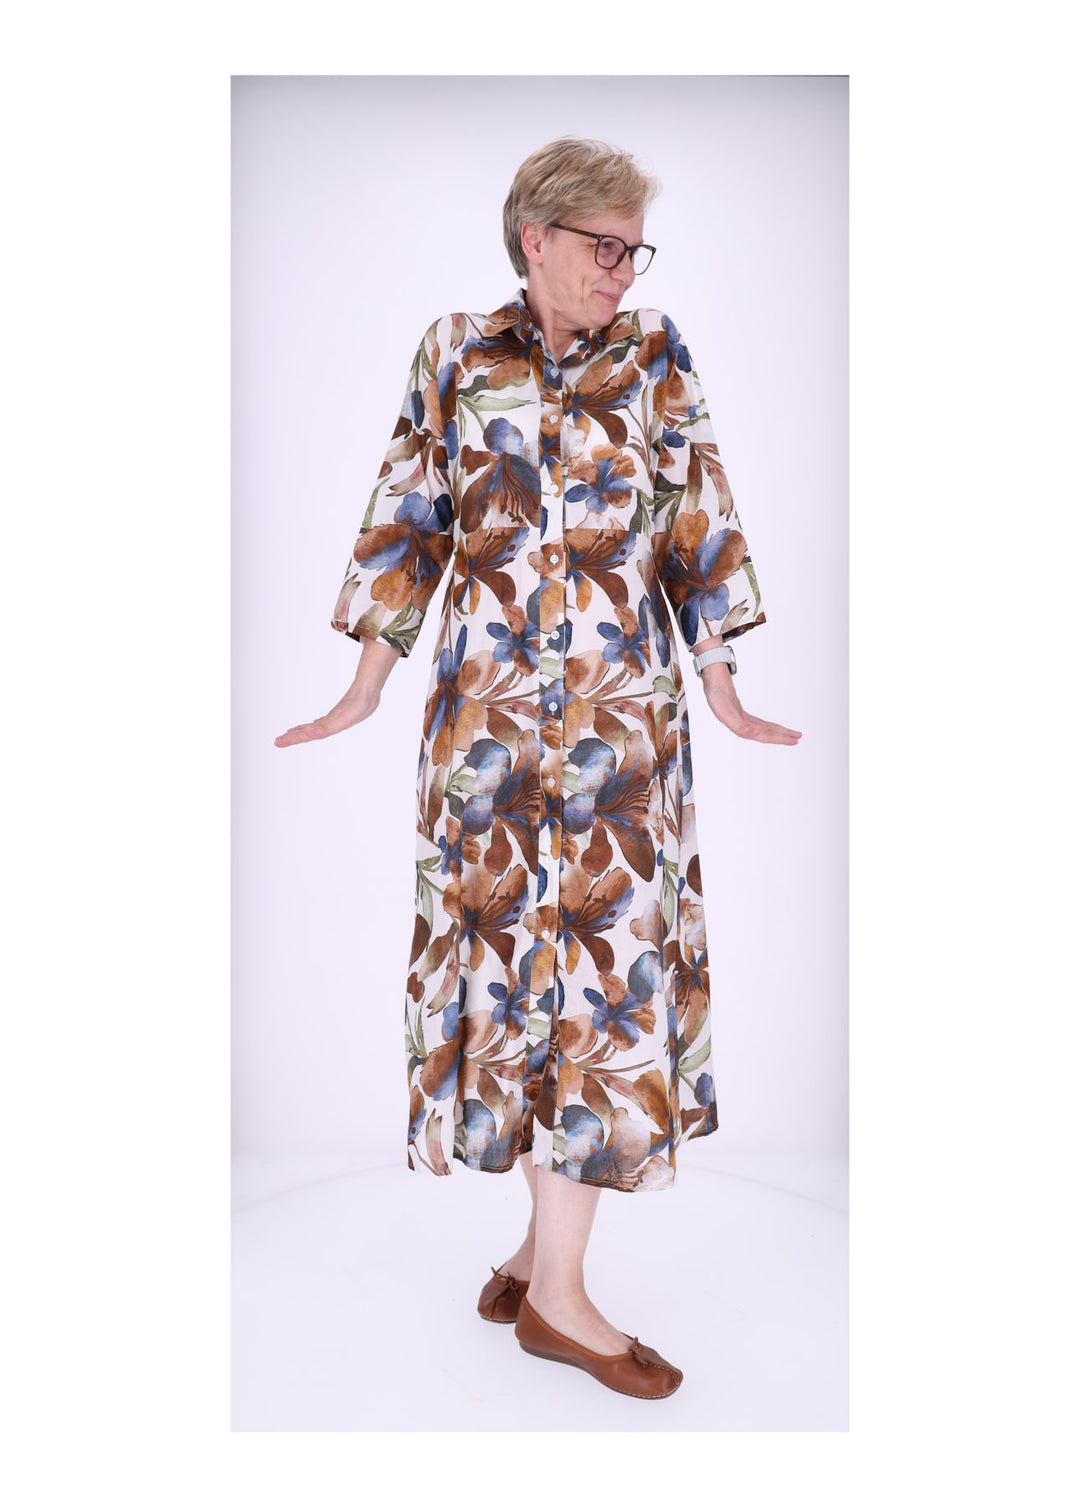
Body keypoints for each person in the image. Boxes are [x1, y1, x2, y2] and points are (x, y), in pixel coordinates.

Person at [275, 136, 801, 1399]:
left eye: (635, 248)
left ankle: (546, 1279)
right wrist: (364, 685)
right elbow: (409, 516)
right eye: (603, 245)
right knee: (513, 983)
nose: (623, 268)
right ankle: (549, 1280)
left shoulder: (656, 353)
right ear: (537, 240)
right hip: (491, 736)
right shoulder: (457, 351)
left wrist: (722, 681)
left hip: (621, 736)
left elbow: (697, 515)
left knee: (600, 991)